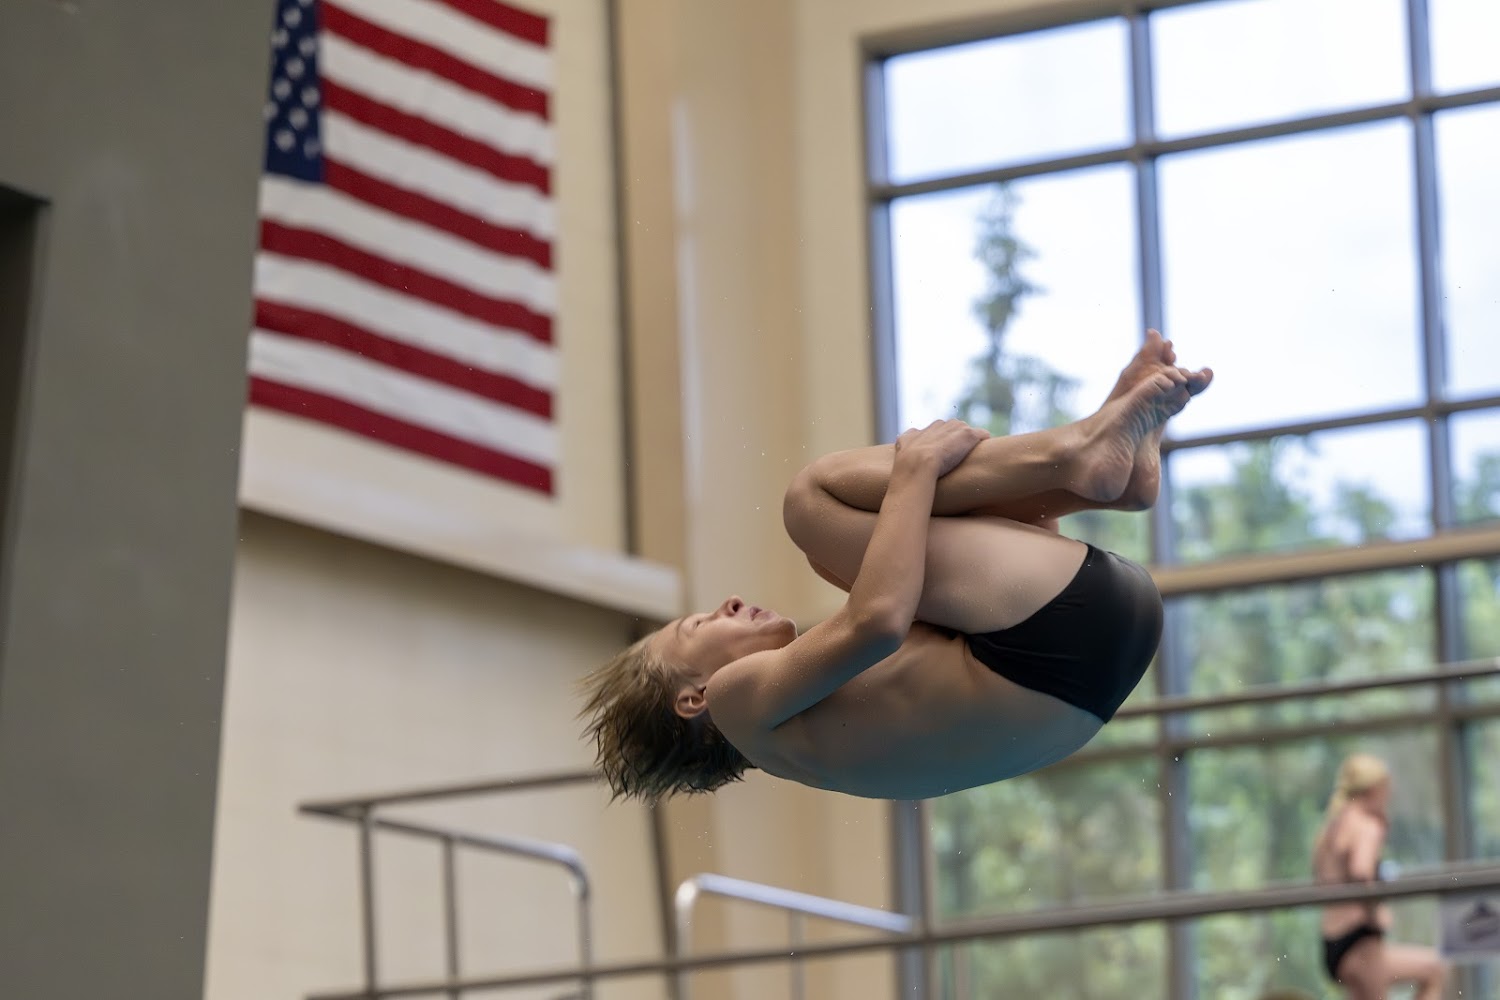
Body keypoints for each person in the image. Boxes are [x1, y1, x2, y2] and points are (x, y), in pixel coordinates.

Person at [581, 330, 1210, 802]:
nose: (728, 604)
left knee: (849, 555)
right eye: (699, 625)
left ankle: (1101, 471)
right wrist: (914, 468)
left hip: (1093, 653)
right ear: (693, 698)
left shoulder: (807, 742)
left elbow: (924, 594)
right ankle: (1080, 453)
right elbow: (878, 621)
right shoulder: (733, 700)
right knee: (810, 503)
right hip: (1052, 636)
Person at [1312, 753, 1449, 999]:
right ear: (1376, 789)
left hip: (1333, 942)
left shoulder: (1331, 827)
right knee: (1434, 968)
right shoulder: (1367, 826)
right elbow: (1361, 871)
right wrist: (1376, 914)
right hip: (1360, 940)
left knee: (1431, 968)